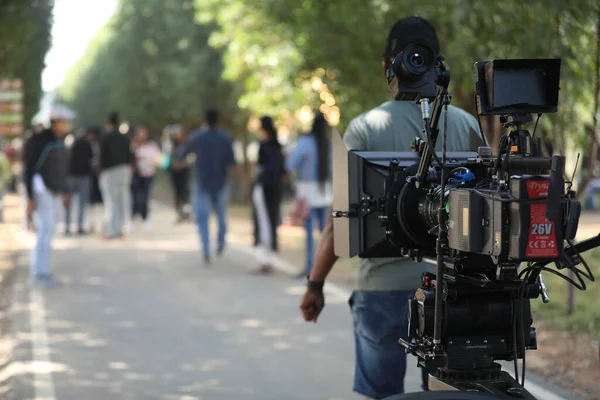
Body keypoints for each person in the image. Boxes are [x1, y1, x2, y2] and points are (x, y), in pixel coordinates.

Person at [298, 16, 482, 400]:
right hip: (452, 293)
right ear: (438, 66)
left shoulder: (365, 128)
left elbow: (339, 221)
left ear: (388, 68)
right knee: (450, 394)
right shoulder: (466, 124)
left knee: (381, 395)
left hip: (381, 293)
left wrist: (315, 283)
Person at [175, 108, 249, 264]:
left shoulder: (197, 137)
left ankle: (206, 249)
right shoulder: (225, 138)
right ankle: (221, 242)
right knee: (221, 216)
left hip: (202, 182)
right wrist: (244, 182)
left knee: (202, 218)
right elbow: (233, 162)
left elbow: (181, 154)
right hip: (220, 182)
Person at [24, 106, 74, 288]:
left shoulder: (59, 140)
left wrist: (65, 191)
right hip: (41, 189)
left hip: (53, 190)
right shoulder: (40, 140)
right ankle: (39, 274)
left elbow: (61, 169)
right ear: (56, 122)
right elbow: (29, 168)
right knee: (45, 229)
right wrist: (30, 197)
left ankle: (42, 271)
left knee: (50, 229)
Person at [286, 112, 333, 277]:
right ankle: (323, 266)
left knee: (308, 232)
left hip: (308, 192)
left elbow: (291, 164)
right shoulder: (328, 144)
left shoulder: (305, 142)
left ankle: (310, 266)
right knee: (325, 231)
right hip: (325, 191)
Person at [252, 116, 286, 274]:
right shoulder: (278, 146)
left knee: (263, 221)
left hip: (264, 187)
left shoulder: (264, 145)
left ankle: (265, 259)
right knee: (272, 220)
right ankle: (269, 258)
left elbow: (259, 168)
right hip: (276, 188)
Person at [99, 111, 133, 239]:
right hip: (124, 169)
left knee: (112, 200)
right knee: (121, 199)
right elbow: (130, 155)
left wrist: (101, 170)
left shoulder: (107, 137)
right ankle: (120, 227)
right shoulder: (124, 137)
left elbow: (102, 156)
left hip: (111, 170)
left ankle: (112, 230)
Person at [64, 129, 95, 235]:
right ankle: (80, 226)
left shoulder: (69, 143)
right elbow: (92, 159)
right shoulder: (87, 144)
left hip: (71, 176)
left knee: (68, 203)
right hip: (84, 176)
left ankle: (67, 225)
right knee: (82, 203)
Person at [130, 125, 160, 229]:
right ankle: (133, 218)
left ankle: (145, 218)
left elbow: (156, 158)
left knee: (145, 197)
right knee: (135, 197)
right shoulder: (133, 145)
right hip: (136, 174)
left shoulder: (151, 145)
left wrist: (146, 160)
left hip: (148, 174)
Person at [168, 125, 192, 223]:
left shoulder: (187, 145)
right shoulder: (172, 145)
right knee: (177, 193)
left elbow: (191, 158)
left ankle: (186, 214)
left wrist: (182, 164)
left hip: (184, 171)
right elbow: (167, 158)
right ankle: (179, 213)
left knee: (185, 193)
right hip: (175, 172)